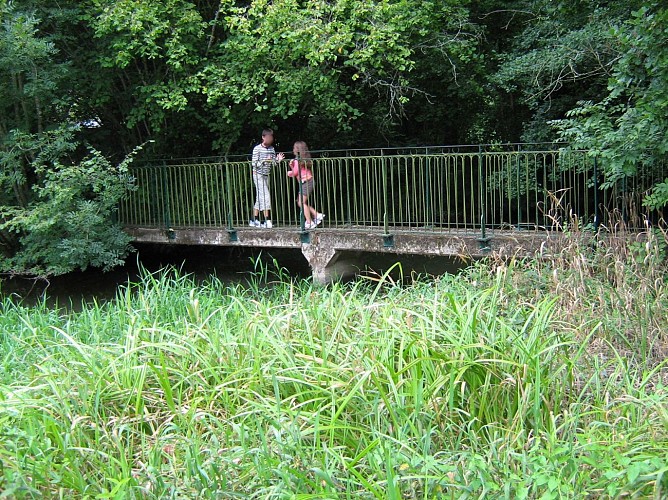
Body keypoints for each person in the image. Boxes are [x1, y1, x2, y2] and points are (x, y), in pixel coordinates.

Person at [250, 128, 284, 228]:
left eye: (271, 137)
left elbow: (273, 163)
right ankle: (266, 220)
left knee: (260, 197)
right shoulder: (257, 148)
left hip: (266, 175)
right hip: (257, 174)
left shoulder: (272, 149)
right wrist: (265, 160)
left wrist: (278, 160)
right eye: (268, 137)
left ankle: (254, 220)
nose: (270, 139)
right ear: (263, 137)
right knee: (265, 196)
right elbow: (254, 164)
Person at [287, 141, 324, 229]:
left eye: (294, 148)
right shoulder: (304, 159)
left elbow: (295, 172)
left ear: (297, 150)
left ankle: (309, 221)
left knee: (301, 202)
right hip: (309, 181)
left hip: (306, 182)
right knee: (301, 202)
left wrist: (289, 171)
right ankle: (316, 214)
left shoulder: (297, 160)